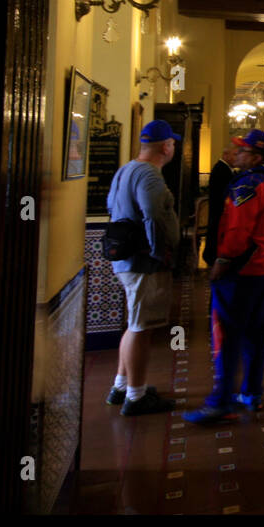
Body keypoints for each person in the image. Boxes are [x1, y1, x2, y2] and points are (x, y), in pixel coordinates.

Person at [184, 129, 264, 424]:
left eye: (241, 151)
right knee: (256, 334)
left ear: (254, 157)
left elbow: (239, 231)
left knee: (227, 335)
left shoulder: (246, 186)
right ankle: (251, 394)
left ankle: (221, 401)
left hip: (242, 272)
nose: (235, 153)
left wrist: (223, 261)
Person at [104, 120, 181, 416]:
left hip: (125, 258)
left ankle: (122, 385)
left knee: (134, 323)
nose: (173, 147)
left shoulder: (126, 169)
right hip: (142, 261)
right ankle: (135, 397)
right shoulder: (150, 176)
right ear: (166, 147)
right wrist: (159, 251)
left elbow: (112, 205)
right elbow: (153, 216)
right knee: (141, 327)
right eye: (172, 143)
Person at [202, 145, 236, 267]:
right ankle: (212, 257)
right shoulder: (222, 170)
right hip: (219, 209)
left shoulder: (224, 169)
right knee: (215, 234)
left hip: (219, 209)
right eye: (234, 155)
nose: (236, 158)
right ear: (225, 155)